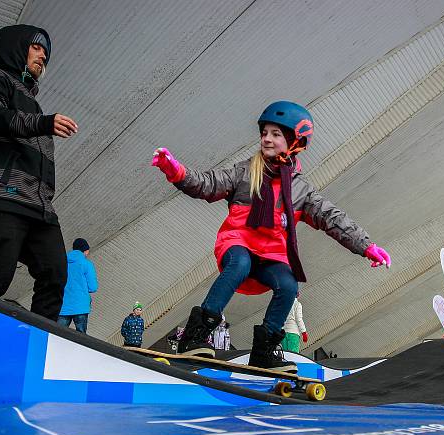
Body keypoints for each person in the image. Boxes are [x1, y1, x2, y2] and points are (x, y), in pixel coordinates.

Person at [151, 101, 391, 372]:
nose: (267, 138)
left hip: (272, 254)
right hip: (238, 241)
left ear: (294, 141)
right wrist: (176, 171)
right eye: (264, 133)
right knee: (239, 263)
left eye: (276, 134)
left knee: (288, 285)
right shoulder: (245, 172)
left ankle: (264, 352)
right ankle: (196, 336)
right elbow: (208, 184)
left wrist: (366, 246)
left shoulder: (300, 190)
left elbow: (332, 218)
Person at [0, 24, 79, 320]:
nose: (43, 56)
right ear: (17, 46)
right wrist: (43, 123)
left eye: (46, 53)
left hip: (38, 207)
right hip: (2, 196)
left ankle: (38, 341)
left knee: (55, 274)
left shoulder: (31, 101)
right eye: (37, 47)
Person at [57, 238, 98, 333]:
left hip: (63, 305)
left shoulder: (63, 262)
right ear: (85, 250)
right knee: (81, 338)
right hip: (81, 306)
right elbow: (93, 287)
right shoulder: (86, 264)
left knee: (58, 334)